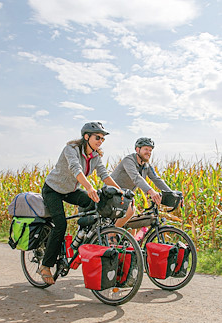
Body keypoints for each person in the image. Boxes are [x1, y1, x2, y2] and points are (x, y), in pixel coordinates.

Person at [37, 122, 122, 284]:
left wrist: (120, 191)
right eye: (98, 137)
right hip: (53, 189)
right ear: (86, 136)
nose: (100, 141)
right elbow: (76, 169)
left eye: (102, 139)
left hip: (70, 190)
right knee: (60, 224)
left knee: (94, 205)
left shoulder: (95, 156)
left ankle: (81, 237)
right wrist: (89, 187)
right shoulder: (71, 149)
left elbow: (104, 175)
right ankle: (46, 265)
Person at [112, 137, 172, 229]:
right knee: (131, 210)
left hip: (125, 197)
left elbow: (156, 179)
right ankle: (111, 234)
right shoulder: (128, 161)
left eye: (150, 150)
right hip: (112, 194)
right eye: (146, 149)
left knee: (132, 225)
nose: (148, 152)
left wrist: (171, 193)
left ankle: (132, 243)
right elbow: (136, 177)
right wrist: (151, 192)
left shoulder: (146, 165)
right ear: (137, 149)